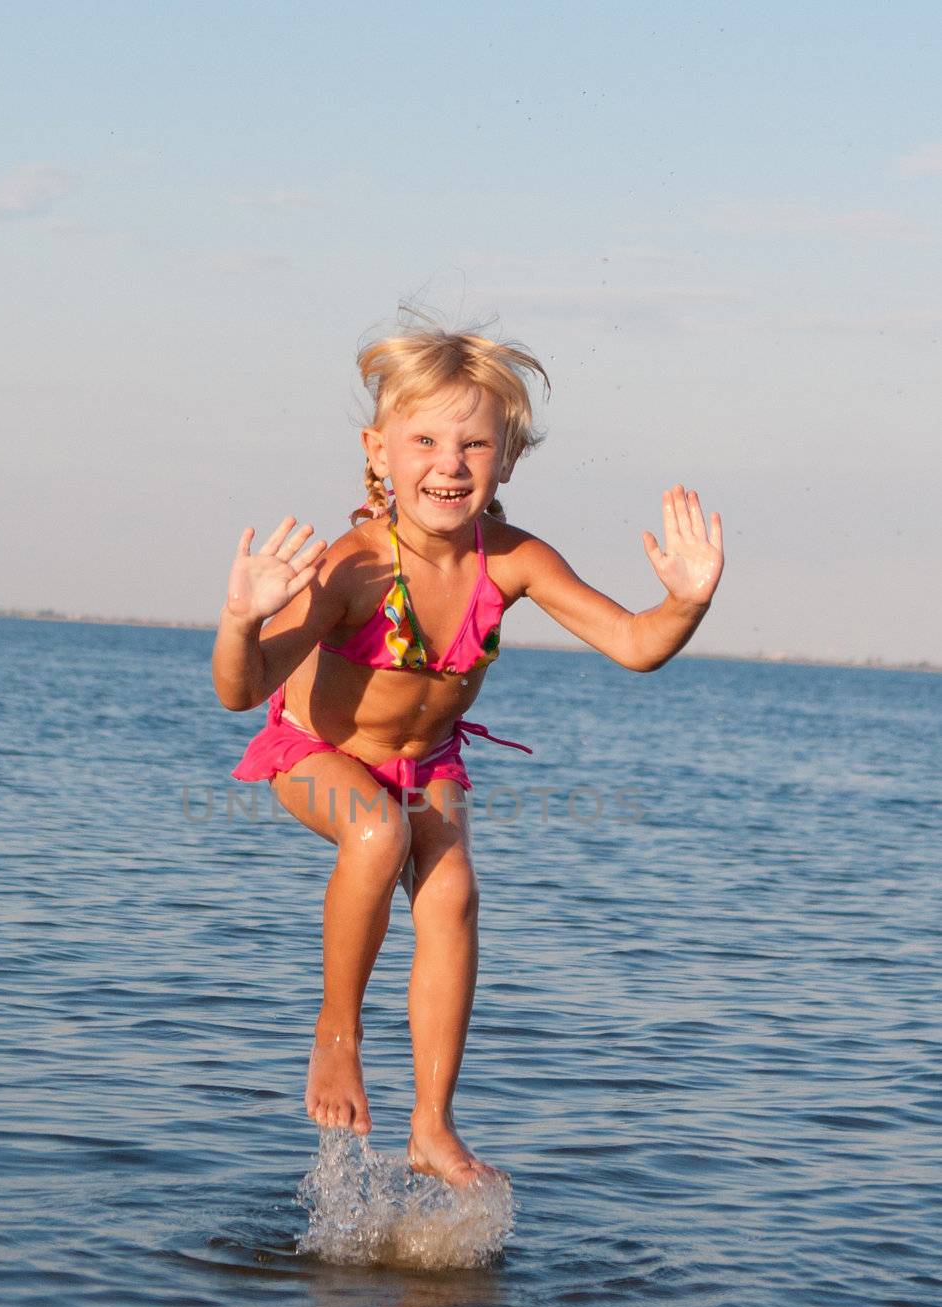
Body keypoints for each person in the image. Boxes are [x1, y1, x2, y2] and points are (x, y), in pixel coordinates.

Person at [212, 320, 724, 1187]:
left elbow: (636, 645)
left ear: (507, 461)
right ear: (379, 453)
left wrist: (687, 601)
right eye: (424, 441)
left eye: (474, 442)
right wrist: (240, 619)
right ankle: (337, 1035)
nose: (449, 463)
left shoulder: (515, 559)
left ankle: (432, 1127)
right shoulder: (355, 567)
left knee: (452, 897)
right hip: (314, 749)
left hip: (430, 761)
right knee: (377, 835)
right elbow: (238, 689)